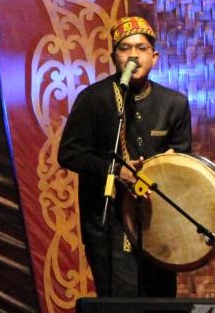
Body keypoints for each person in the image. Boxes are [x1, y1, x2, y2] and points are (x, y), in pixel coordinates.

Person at [57, 15, 192, 297]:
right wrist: (116, 171)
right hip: (108, 223)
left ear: (154, 57)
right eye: (125, 48)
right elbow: (69, 153)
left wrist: (163, 166)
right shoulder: (94, 99)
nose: (133, 55)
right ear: (114, 57)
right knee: (119, 305)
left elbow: (182, 157)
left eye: (141, 48)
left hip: (157, 220)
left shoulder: (174, 103)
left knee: (160, 303)